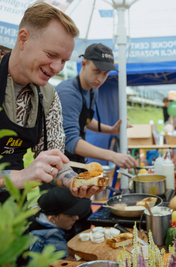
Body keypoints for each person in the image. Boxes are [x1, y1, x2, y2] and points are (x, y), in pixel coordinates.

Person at [0, 2, 103, 211]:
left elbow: (55, 161)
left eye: (64, 60)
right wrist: (20, 176)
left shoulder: (48, 96)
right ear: (23, 39)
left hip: (11, 221)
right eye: (51, 55)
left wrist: (73, 181)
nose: (57, 67)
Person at [55, 43, 135, 171]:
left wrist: (111, 130)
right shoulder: (68, 93)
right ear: (83, 64)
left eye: (105, 73)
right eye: (96, 70)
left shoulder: (93, 89)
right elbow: (70, 141)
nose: (100, 79)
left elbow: (83, 120)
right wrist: (112, 155)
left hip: (76, 161)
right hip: (56, 165)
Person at [29, 187, 92, 259]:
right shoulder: (51, 239)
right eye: (70, 215)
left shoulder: (36, 215)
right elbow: (66, 263)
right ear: (52, 218)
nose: (76, 218)